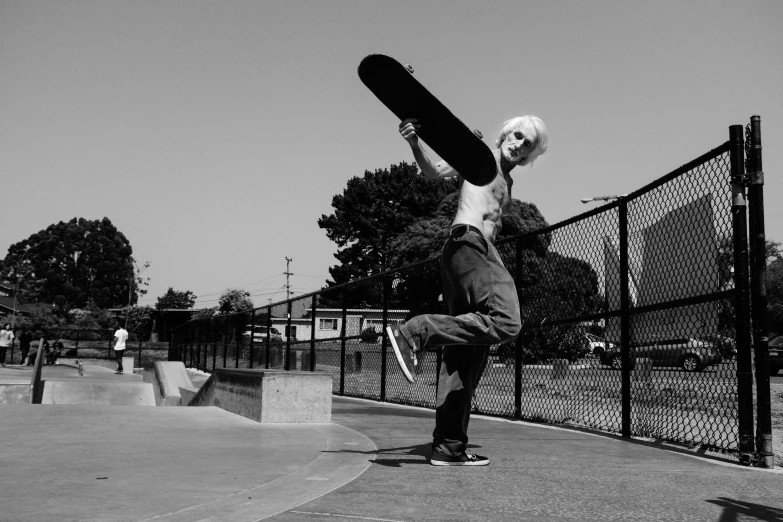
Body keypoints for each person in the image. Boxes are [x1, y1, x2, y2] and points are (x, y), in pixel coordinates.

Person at [386, 115, 549, 466]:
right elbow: (434, 172)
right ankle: (416, 330)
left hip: (464, 257)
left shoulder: (507, 180)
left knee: (466, 358)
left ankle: (448, 447)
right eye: (517, 136)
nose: (518, 145)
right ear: (506, 134)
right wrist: (415, 143)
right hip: (469, 245)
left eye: (527, 146)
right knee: (507, 322)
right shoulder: (482, 158)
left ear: (527, 157)